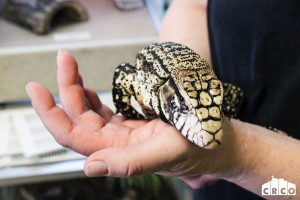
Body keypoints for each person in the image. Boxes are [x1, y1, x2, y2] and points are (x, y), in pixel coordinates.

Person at [25, 0, 300, 199]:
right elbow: (194, 5)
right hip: (217, 180)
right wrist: (138, 114)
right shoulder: (150, 87)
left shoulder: (215, 128)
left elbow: (220, 139)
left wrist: (241, 152)